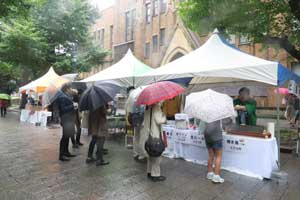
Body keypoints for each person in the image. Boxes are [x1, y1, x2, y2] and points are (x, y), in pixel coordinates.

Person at [141, 103, 167, 182]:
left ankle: (149, 172)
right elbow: (159, 120)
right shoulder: (156, 107)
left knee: (150, 154)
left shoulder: (147, 107)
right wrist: (164, 116)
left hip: (149, 134)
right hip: (155, 134)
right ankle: (155, 175)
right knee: (156, 156)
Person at [204, 118, 232, 184]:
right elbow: (226, 123)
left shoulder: (205, 111)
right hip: (216, 135)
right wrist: (226, 128)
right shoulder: (218, 111)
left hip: (207, 134)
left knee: (210, 155)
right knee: (218, 156)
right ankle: (216, 176)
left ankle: (210, 173)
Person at [55, 84, 77, 162]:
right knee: (64, 137)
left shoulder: (66, 96)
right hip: (66, 119)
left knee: (67, 136)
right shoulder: (62, 97)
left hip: (69, 119)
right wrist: (72, 106)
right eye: (70, 88)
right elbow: (63, 109)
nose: (71, 89)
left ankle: (66, 152)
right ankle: (61, 155)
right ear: (67, 89)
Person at [125, 87, 146, 161]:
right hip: (142, 121)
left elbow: (127, 108)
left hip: (134, 120)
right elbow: (144, 111)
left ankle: (135, 153)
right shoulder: (142, 98)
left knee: (136, 137)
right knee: (142, 137)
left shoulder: (131, 97)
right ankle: (142, 154)